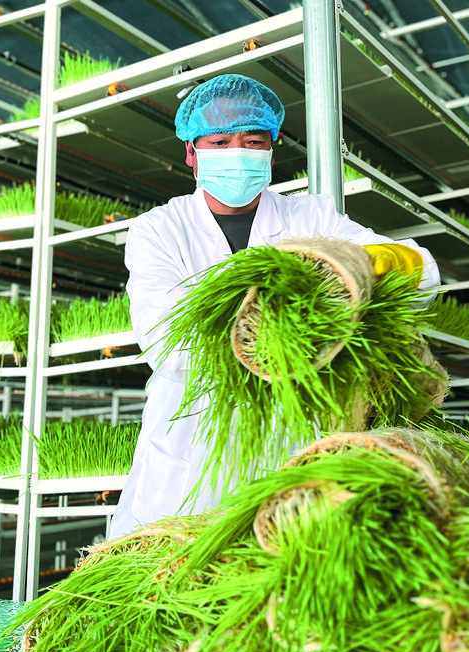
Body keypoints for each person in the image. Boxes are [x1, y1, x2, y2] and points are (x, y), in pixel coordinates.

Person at [108, 73, 440, 539]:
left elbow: (422, 275)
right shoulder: (159, 229)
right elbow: (165, 342)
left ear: (271, 147)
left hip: (294, 434)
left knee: (289, 558)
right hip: (191, 445)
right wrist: (274, 326)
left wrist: (387, 262)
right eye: (219, 142)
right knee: (177, 564)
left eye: (252, 141)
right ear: (191, 152)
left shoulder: (311, 216)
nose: (237, 152)